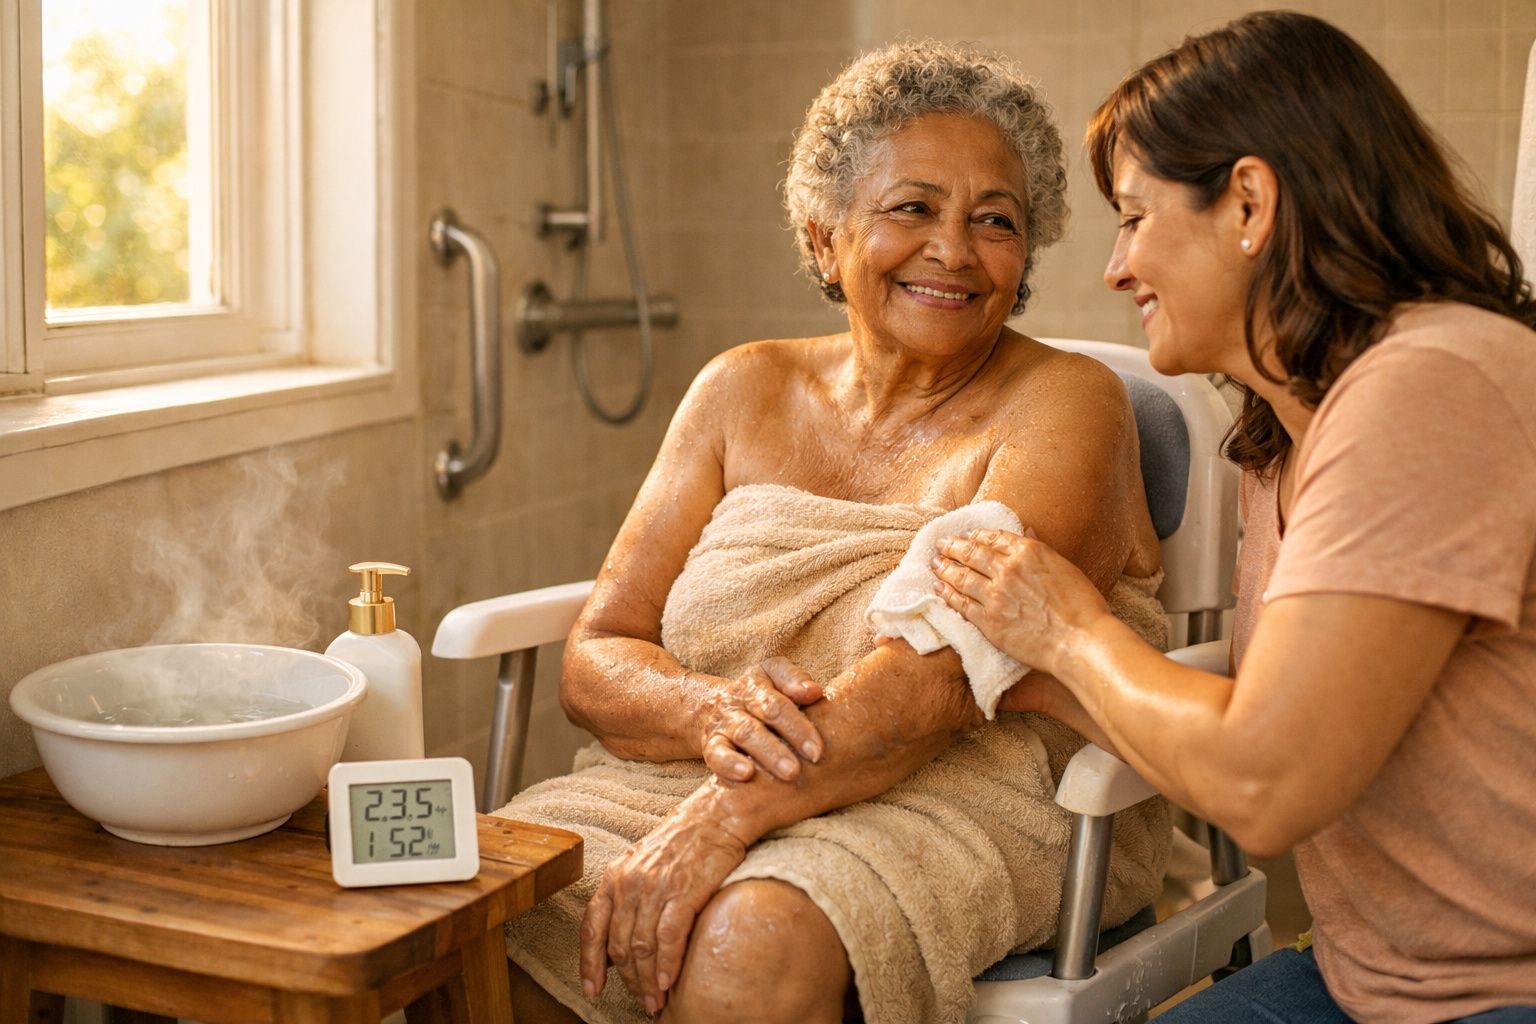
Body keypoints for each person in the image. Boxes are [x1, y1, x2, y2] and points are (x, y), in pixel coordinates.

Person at [498, 41, 1172, 1024]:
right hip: (691, 771)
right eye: (913, 208)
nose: (955, 250)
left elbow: (945, 677)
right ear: (824, 238)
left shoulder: (1070, 402)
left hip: (967, 792)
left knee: (745, 947)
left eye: (996, 220)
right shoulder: (740, 389)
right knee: (487, 910)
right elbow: (598, 653)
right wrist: (711, 713)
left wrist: (722, 820)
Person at [932, 12, 1536, 1024]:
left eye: (1134, 218)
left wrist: (1071, 632)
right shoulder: (1281, 435)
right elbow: (1276, 711)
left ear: (1250, 202)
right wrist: (1025, 674)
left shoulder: (1432, 388)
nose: (1117, 268)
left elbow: (1265, 784)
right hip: (1365, 978)